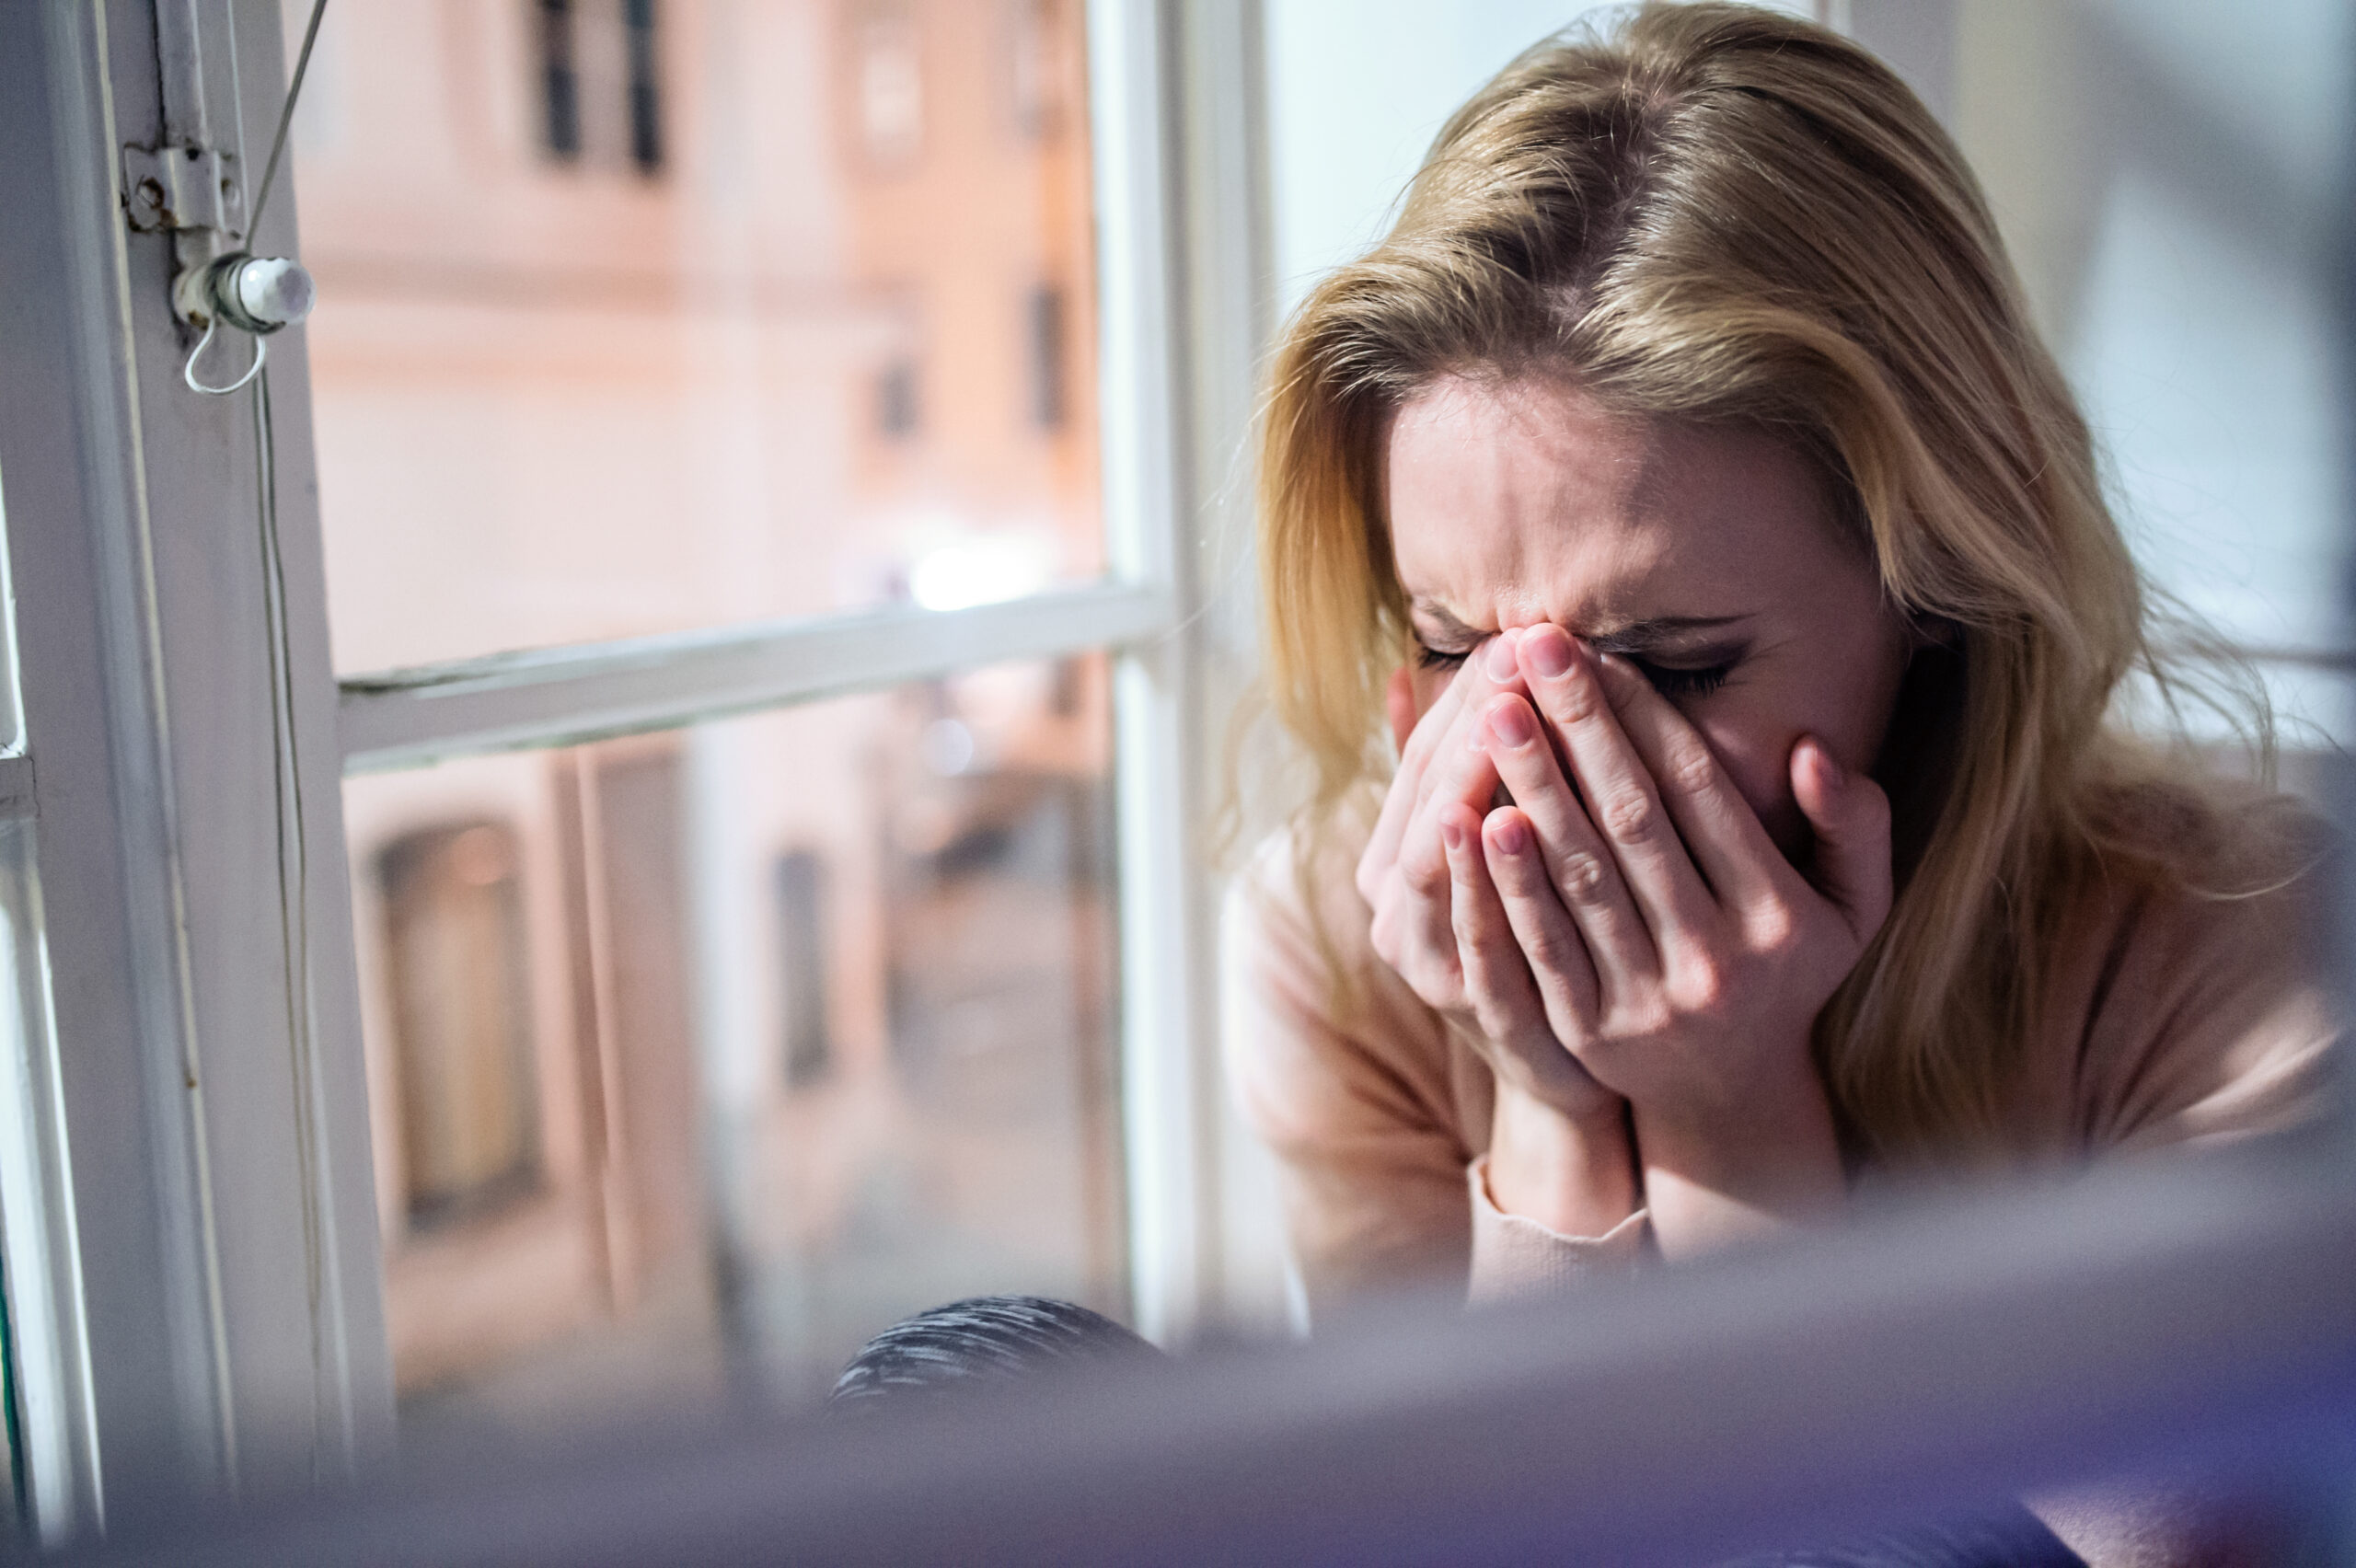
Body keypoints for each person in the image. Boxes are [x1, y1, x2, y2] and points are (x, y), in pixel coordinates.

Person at [1223, 4, 2339, 1562]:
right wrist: (1550, 1110)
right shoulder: (1339, 942)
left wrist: (1735, 1121)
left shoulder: (2228, 942)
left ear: (1939, 597)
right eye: (1455, 646)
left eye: (1677, 670)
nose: (1535, 773)